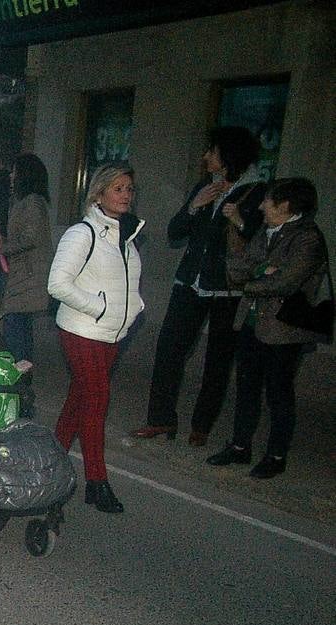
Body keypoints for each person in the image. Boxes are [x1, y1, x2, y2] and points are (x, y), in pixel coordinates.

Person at [135, 127, 266, 445]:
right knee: (169, 349)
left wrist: (238, 220)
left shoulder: (257, 192)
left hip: (227, 288)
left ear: (228, 157)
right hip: (189, 282)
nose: (206, 157)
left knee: (218, 360)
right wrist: (195, 206)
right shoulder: (204, 187)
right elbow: (175, 230)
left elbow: (259, 241)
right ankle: (161, 420)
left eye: (212, 151)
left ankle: (201, 426)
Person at [208, 178, 329, 479]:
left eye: (268, 201)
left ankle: (276, 455)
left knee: (279, 393)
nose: (261, 206)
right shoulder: (266, 231)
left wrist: (254, 278)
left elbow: (287, 281)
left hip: (284, 331)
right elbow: (238, 267)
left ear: (286, 205)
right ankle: (239, 446)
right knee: (246, 388)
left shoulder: (307, 238)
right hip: (251, 322)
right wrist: (262, 272)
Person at [48, 162, 144, 514]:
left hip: (111, 334)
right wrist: (99, 307)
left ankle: (51, 464)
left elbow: (129, 287)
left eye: (129, 189)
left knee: (79, 400)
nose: (124, 195)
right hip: (81, 331)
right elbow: (57, 284)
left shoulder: (128, 238)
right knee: (98, 399)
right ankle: (96, 481)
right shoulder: (81, 234)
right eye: (117, 188)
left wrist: (129, 314)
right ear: (99, 192)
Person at [1, 153, 54, 365]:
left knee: (16, 331)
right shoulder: (26, 202)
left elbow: (29, 238)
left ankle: (20, 381)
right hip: (24, 276)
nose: (12, 176)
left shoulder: (32, 203)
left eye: (15, 172)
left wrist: (2, 247)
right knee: (20, 329)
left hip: (27, 279)